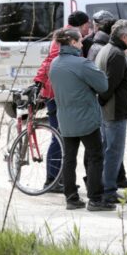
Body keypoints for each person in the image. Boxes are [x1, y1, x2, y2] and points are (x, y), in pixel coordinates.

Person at [48, 28, 113, 211]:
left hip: (65, 119)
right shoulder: (82, 64)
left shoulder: (54, 63)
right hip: (87, 119)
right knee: (95, 157)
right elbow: (103, 84)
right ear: (73, 42)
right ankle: (95, 198)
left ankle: (71, 198)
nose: (83, 43)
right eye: (80, 41)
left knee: (69, 158)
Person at [33, 11, 91, 193]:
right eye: (88, 25)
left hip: (57, 91)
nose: (89, 28)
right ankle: (52, 180)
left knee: (61, 136)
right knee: (59, 136)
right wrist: (38, 81)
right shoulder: (67, 37)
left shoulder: (67, 34)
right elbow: (51, 60)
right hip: (56, 93)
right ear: (82, 25)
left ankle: (57, 179)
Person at [87, 10, 127, 190]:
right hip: (114, 110)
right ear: (124, 36)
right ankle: (108, 189)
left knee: (108, 150)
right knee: (114, 152)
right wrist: (103, 101)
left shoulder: (107, 49)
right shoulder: (116, 53)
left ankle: (104, 187)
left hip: (108, 109)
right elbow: (109, 85)